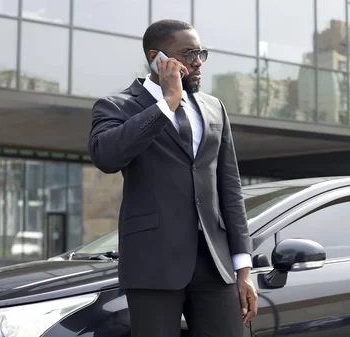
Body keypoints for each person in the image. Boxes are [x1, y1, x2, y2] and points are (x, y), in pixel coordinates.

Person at [87, 19, 258, 337]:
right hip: (153, 265)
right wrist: (167, 104)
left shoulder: (214, 108)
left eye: (202, 53)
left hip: (214, 264)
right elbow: (106, 157)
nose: (198, 62)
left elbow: (230, 189)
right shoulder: (118, 107)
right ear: (156, 58)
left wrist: (243, 269)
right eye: (189, 53)